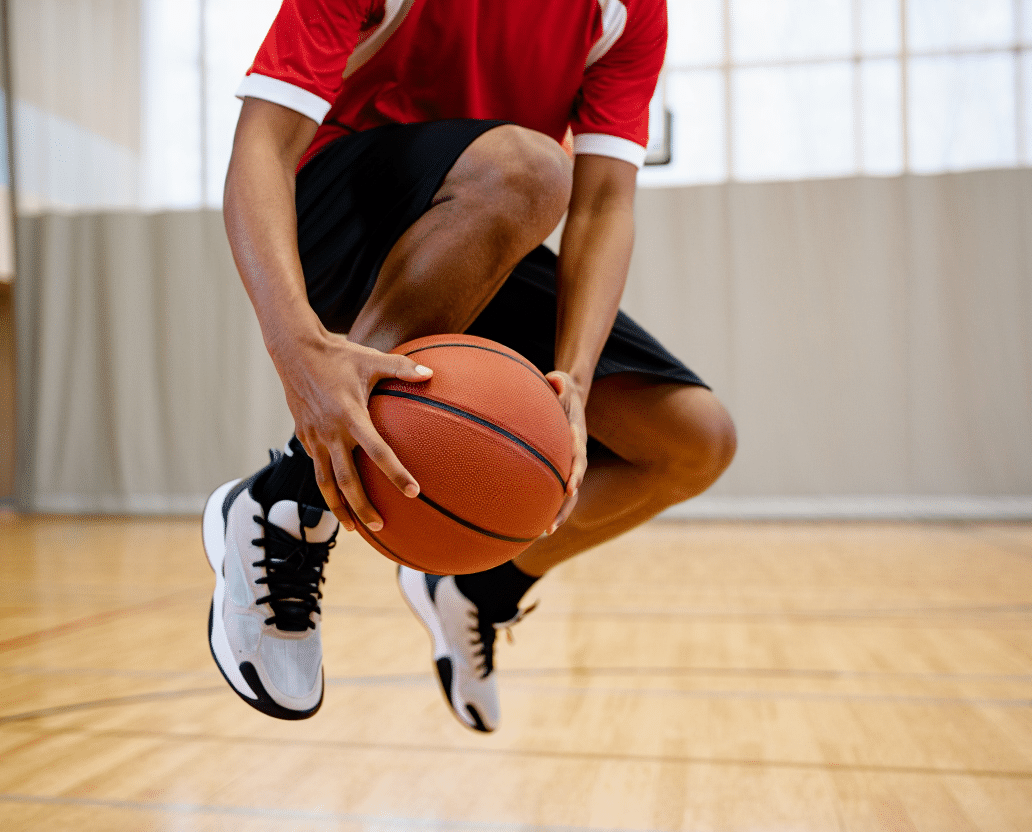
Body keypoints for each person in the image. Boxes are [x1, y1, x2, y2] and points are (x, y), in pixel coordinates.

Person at [202, 0, 737, 732]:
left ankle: (474, 592)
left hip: (488, 228)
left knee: (693, 440)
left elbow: (606, 202)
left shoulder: (627, 11)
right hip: (332, 212)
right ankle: (289, 503)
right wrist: (298, 350)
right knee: (533, 168)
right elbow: (259, 146)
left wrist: (573, 380)